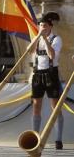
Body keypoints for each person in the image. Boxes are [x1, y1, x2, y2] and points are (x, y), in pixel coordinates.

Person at [29, 12, 64, 150]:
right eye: (40, 26)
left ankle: (58, 139)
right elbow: (29, 51)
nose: (42, 28)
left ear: (50, 27)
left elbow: (52, 54)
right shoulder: (37, 38)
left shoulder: (56, 39)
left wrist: (45, 40)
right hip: (38, 73)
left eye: (44, 26)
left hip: (51, 73)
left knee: (55, 107)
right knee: (36, 105)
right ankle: (35, 138)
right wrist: (38, 37)